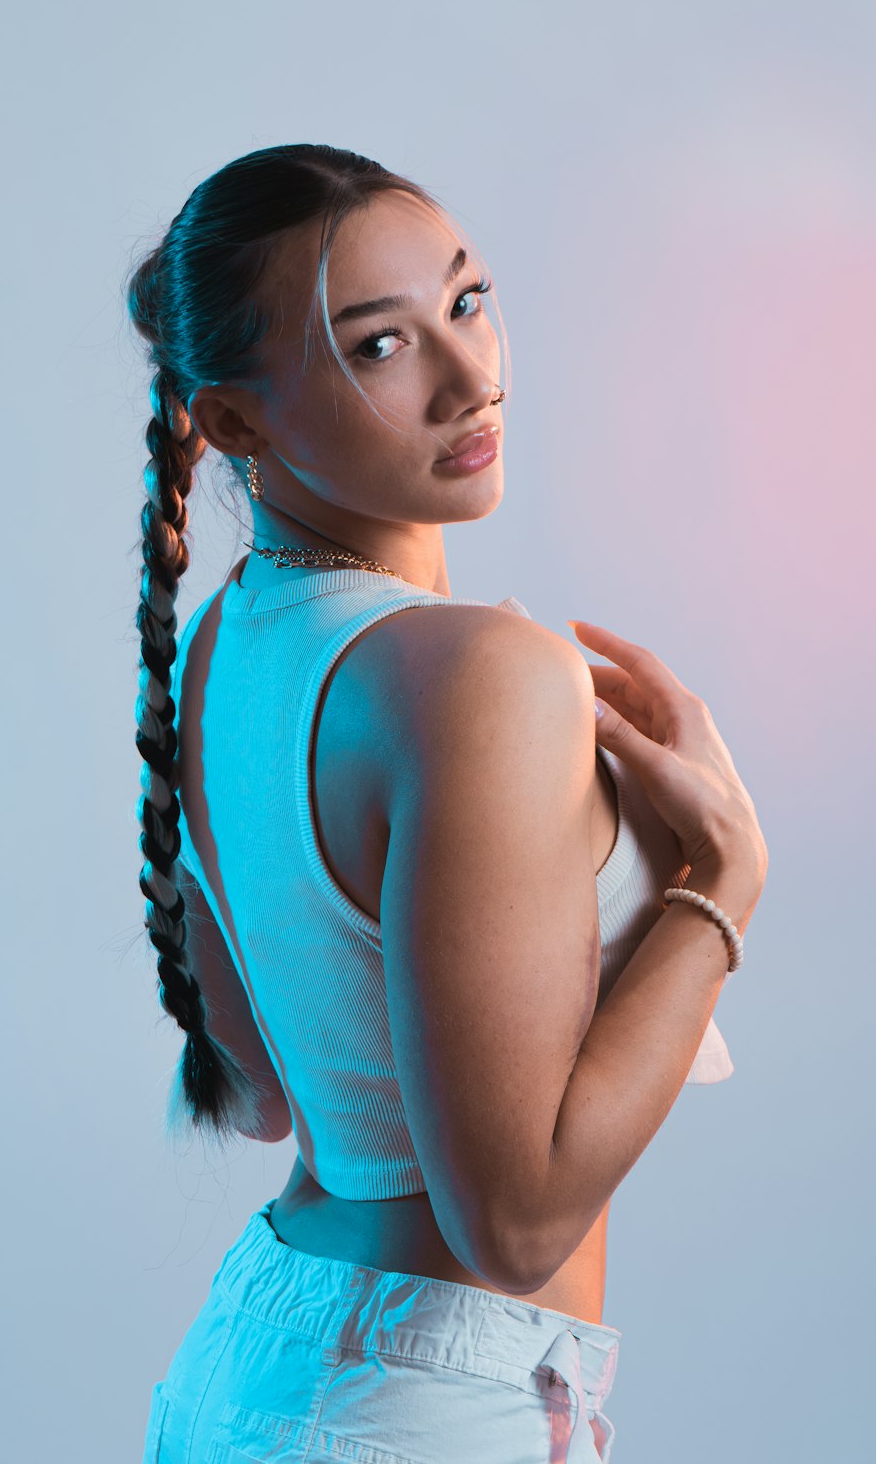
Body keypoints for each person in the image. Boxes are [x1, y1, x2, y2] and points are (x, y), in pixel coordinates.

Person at [128, 143, 768, 1464]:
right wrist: (719, 884)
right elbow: (516, 1226)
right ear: (238, 423)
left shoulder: (217, 649)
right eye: (377, 346)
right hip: (423, 1414)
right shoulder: (475, 674)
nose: (470, 378)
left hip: (251, 1360)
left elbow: (261, 1090)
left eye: (467, 303)